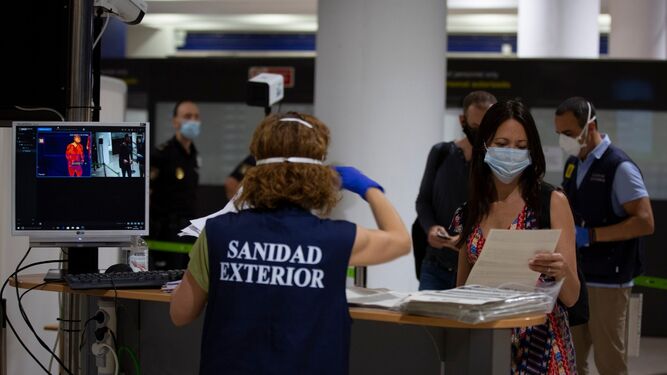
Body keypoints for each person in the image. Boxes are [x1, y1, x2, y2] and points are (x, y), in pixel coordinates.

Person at [169, 112, 411, 375]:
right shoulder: (334, 239)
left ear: (256, 169)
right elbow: (400, 241)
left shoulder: (217, 232)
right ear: (317, 173)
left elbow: (180, 314)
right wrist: (367, 187)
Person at [452, 99, 580, 374]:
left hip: (541, 352)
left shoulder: (551, 202)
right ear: (485, 145)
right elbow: (461, 290)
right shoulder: (471, 210)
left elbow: (572, 296)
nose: (511, 153)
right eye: (502, 143)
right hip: (486, 346)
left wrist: (562, 271)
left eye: (521, 147)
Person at [554, 97, 654, 375]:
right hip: (576, 277)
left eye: (569, 133)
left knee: (609, 359)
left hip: (609, 281)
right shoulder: (573, 164)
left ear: (590, 126)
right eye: (559, 134)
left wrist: (592, 235)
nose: (564, 140)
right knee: (571, 356)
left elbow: (645, 222)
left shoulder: (619, 167)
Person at [415, 90, 496, 290]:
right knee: (427, 321)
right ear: (463, 120)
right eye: (476, 126)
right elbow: (424, 200)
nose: (481, 133)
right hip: (436, 264)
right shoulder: (441, 152)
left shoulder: (498, 162)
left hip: (478, 267)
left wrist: (471, 238)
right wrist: (431, 228)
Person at [149, 100, 202, 269]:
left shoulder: (194, 154)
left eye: (196, 117)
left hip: (188, 230)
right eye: (187, 116)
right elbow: (146, 192)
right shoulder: (161, 154)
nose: (193, 120)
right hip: (166, 232)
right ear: (175, 121)